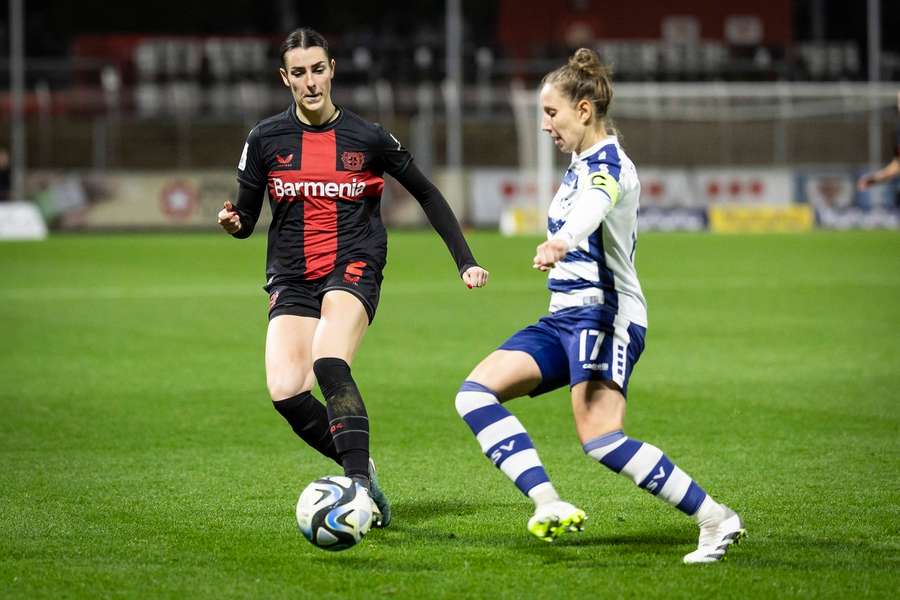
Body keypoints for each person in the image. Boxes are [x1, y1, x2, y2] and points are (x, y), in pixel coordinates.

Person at [453, 48, 745, 564]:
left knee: (602, 439)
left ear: (583, 110)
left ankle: (715, 519)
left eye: (551, 113)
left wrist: (562, 239)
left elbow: (597, 203)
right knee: (474, 396)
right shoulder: (578, 163)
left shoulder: (610, 164)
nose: (545, 125)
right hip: (563, 315)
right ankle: (547, 502)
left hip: (605, 315)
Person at [218, 28, 489, 527]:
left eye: (317, 69)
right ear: (285, 79)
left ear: (332, 70)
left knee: (328, 361)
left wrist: (464, 259)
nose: (310, 81)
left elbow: (428, 193)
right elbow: (247, 216)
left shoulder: (368, 137)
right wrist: (235, 223)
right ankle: (361, 464)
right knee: (285, 391)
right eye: (298, 73)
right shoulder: (265, 139)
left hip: (354, 263)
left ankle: (357, 490)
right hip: (292, 275)